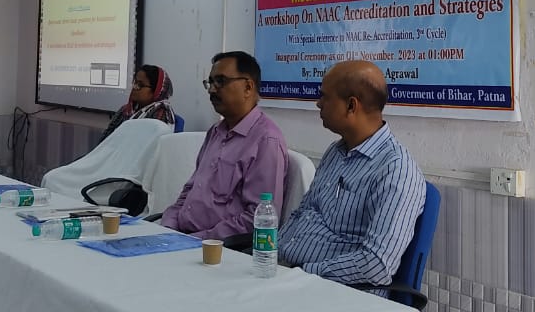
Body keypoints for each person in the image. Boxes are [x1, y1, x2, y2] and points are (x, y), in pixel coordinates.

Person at [278, 60, 426, 295]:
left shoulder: (395, 170)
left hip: (334, 291)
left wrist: (305, 273)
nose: (318, 103)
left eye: (324, 96)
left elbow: (377, 265)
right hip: (288, 275)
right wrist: (271, 257)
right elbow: (304, 213)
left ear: (351, 106)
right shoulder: (336, 151)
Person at [160, 51, 287, 240]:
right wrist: (167, 228)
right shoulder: (216, 132)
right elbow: (190, 190)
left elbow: (257, 219)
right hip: (182, 238)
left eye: (221, 81)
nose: (212, 90)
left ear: (248, 87)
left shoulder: (266, 141)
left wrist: (198, 240)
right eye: (210, 82)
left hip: (216, 248)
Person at [100, 64, 175, 142]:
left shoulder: (161, 113)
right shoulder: (126, 109)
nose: (134, 87)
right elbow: (106, 136)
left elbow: (146, 145)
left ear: (156, 91)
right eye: (135, 82)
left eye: (140, 85)